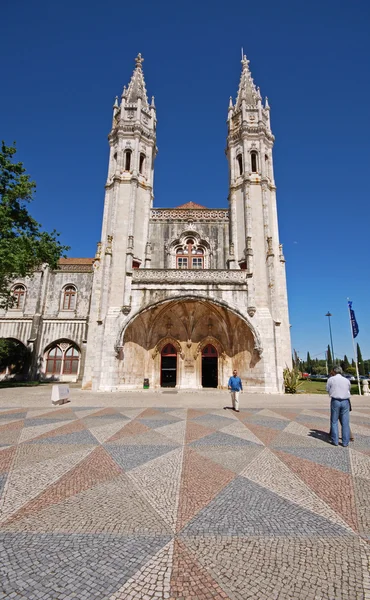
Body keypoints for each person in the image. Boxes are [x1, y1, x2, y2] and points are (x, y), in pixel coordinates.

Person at [326, 366, 351, 447]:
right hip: (345, 401)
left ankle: (335, 440)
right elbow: (348, 389)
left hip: (335, 400)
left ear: (334, 371)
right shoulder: (346, 380)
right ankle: (345, 442)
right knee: (345, 422)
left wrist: (332, 393)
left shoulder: (331, 379)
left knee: (334, 421)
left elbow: (327, 389)